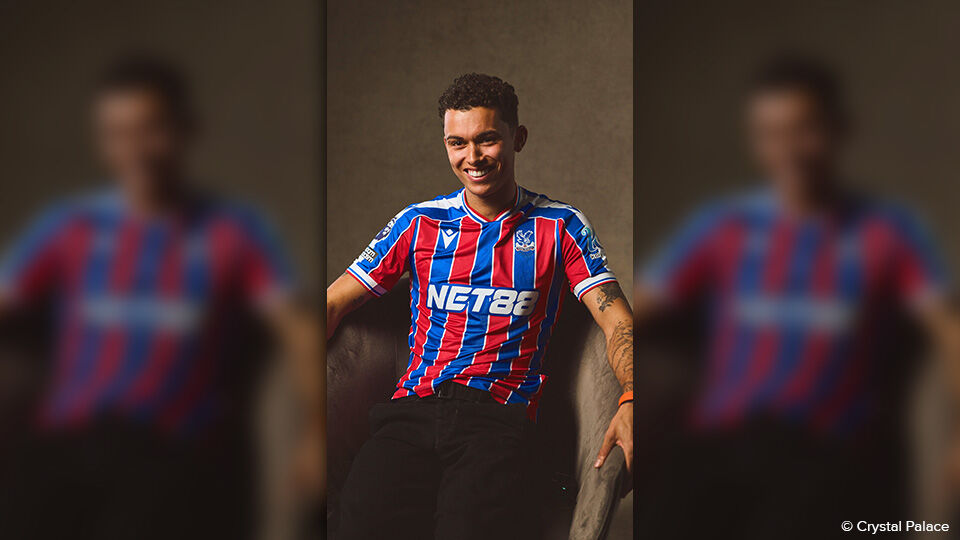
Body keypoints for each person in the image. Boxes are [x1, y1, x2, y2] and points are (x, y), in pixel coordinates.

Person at [635, 54, 960, 539]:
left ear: (839, 129)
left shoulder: (889, 231)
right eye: (770, 133)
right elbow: (631, 314)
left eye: (804, 129)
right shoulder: (723, 225)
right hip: (716, 445)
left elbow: (950, 331)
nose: (788, 150)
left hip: (825, 452)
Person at [0, 55, 321, 540]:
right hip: (63, 444)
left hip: (169, 449)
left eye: (150, 129)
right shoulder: (69, 225)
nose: (135, 150)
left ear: (185, 130)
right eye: (117, 134)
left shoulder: (235, 230)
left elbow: (299, 330)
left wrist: (317, 434)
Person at [326, 73, 634, 540]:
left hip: (499, 420)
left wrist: (631, 399)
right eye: (458, 143)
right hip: (411, 411)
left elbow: (617, 322)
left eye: (487, 139)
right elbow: (332, 303)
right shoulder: (418, 222)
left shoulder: (560, 226)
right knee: (359, 524)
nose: (472, 157)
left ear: (517, 138)